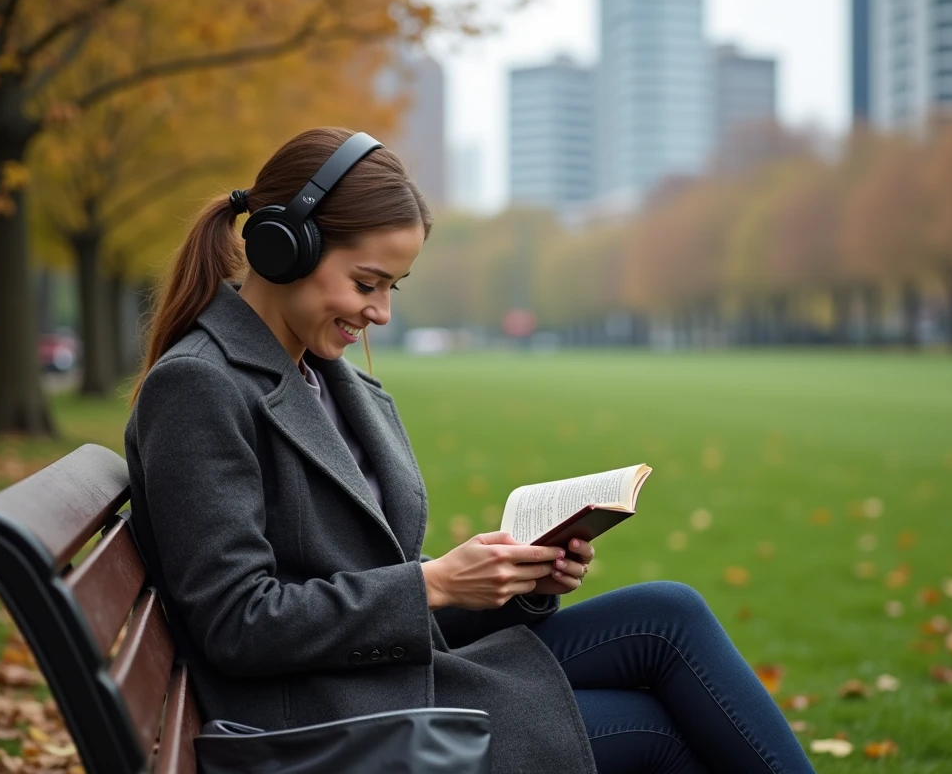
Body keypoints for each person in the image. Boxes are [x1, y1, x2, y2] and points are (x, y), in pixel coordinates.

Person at [124, 127, 814, 774]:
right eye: (367, 283)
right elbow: (238, 622)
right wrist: (436, 582)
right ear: (286, 247)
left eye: (391, 288)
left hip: (381, 681)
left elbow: (360, 580)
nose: (381, 313)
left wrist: (514, 581)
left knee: (669, 614)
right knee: (656, 730)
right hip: (323, 724)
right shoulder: (199, 387)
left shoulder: (322, 378)